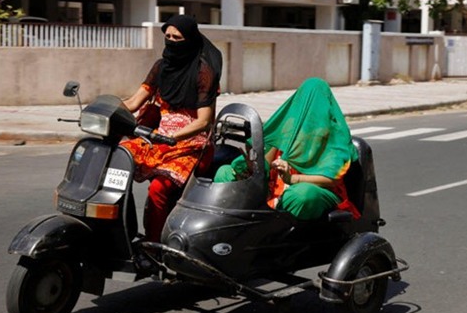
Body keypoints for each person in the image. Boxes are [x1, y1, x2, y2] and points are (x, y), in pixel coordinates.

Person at [121, 15, 222, 242]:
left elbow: (204, 121)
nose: (171, 41)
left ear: (190, 40)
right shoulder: (161, 67)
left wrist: (171, 137)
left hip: (191, 144)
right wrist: (102, 110)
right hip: (158, 139)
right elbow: (134, 101)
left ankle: (154, 247)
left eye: (177, 37)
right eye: (167, 36)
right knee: (118, 160)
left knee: (159, 189)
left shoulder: (203, 73)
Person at [214, 77, 360, 221]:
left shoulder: (335, 135)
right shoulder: (289, 126)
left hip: (317, 189)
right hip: (275, 187)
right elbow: (267, 160)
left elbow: (332, 178)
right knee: (225, 173)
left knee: (301, 195)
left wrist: (293, 178)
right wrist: (254, 166)